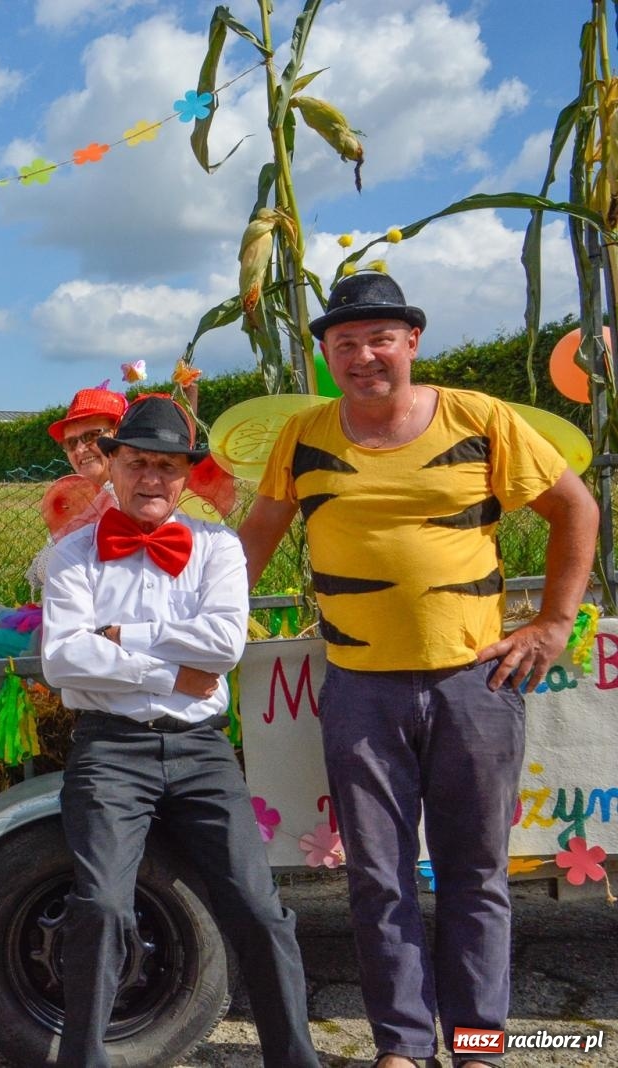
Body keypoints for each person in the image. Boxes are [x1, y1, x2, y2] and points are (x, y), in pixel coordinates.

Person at [237, 273, 599, 1068]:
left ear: (411, 342)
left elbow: (576, 509)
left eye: (380, 339)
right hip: (361, 689)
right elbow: (255, 537)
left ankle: (475, 1046)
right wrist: (198, 623)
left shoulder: (481, 417)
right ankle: (401, 1047)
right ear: (328, 354)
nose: (364, 356)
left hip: (477, 685)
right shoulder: (303, 435)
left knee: (477, 873)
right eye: (345, 344)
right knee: (378, 877)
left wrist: (552, 623)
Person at [42, 394, 318, 1068]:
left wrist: (123, 639)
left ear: (186, 474)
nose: (152, 479)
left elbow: (222, 645)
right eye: (137, 463)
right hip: (111, 746)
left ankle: (294, 1058)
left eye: (168, 467)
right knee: (102, 905)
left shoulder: (218, 549)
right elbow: (63, 659)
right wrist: (171, 673)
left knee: (258, 905)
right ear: (111, 465)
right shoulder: (74, 555)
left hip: (200, 749)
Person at [0, 385, 128, 660]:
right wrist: (5, 612)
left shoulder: (124, 503)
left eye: (92, 436)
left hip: (94, 638)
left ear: (120, 436)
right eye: (71, 443)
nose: (81, 449)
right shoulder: (83, 502)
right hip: (64, 622)